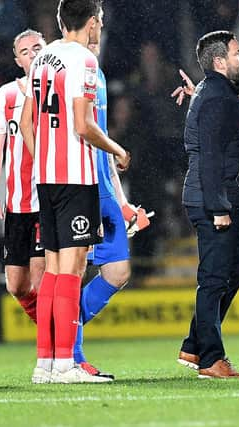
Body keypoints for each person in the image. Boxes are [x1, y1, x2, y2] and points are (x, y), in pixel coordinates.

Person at [19, 0, 130, 384]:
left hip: (46, 179)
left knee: (51, 270)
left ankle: (45, 363)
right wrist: (117, 149)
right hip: (76, 178)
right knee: (73, 269)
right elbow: (84, 126)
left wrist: (44, 160)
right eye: (100, 21)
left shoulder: (43, 58)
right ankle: (66, 363)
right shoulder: (83, 61)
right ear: (94, 22)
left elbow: (28, 122)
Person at [177, 30, 239, 379]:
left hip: (225, 197)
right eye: (238, 53)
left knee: (234, 273)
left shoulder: (217, 94)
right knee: (214, 279)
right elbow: (209, 155)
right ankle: (211, 358)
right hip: (215, 199)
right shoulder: (214, 97)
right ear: (220, 61)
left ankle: (195, 345)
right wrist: (219, 206)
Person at [72, 41, 150, 381]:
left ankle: (59, 329)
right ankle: (70, 353)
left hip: (104, 187)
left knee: (117, 272)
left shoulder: (97, 75)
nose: (97, 40)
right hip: (77, 186)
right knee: (72, 272)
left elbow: (100, 144)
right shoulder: (69, 73)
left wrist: (122, 202)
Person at [0, 30, 46, 324]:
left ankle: (56, 354)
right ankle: (60, 332)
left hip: (47, 199)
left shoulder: (56, 90)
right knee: (17, 285)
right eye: (25, 51)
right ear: (17, 60)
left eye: (37, 47)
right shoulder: (6, 95)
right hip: (17, 204)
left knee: (41, 279)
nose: (32, 54)